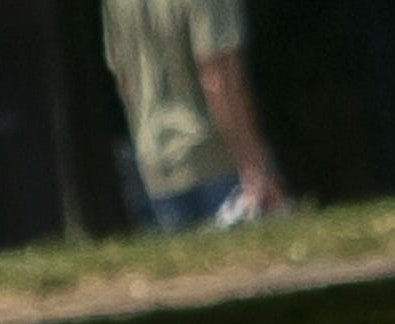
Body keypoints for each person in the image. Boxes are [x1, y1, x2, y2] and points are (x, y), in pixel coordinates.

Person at [100, 0, 288, 232]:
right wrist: (255, 167)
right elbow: (218, 79)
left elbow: (124, 81)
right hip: (215, 159)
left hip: (155, 166)